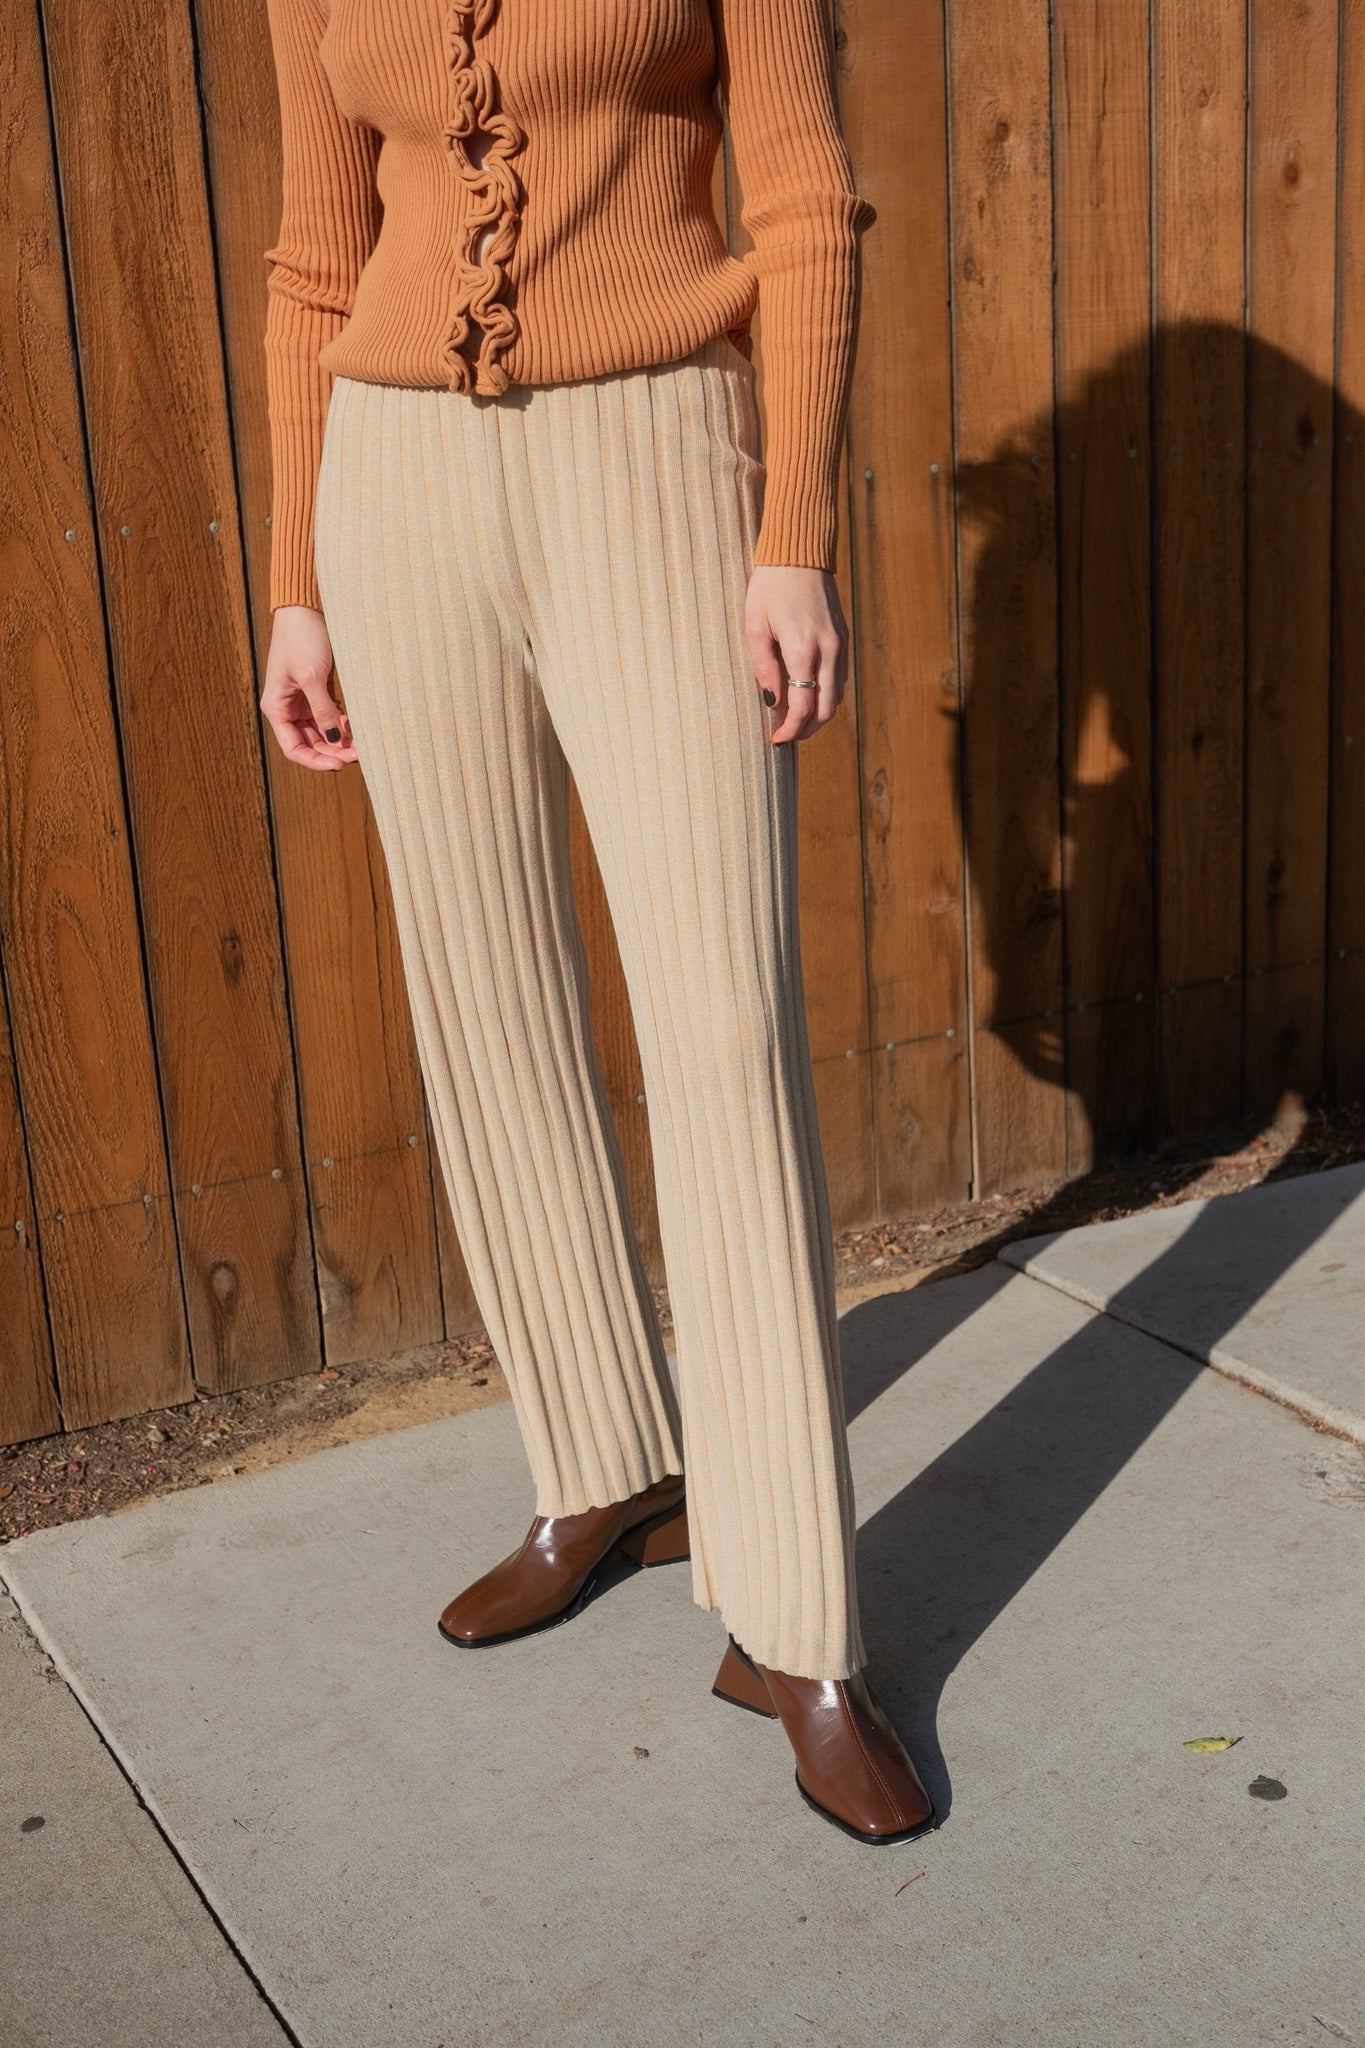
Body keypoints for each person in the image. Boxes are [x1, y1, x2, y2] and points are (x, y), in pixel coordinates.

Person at [259, 0, 934, 1846]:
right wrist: (295, 579)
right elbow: (316, 260)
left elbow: (802, 202)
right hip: (394, 484)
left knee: (721, 1028)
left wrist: (790, 534)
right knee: (483, 999)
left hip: (654, 457)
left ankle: (794, 1627)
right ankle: (604, 1464)